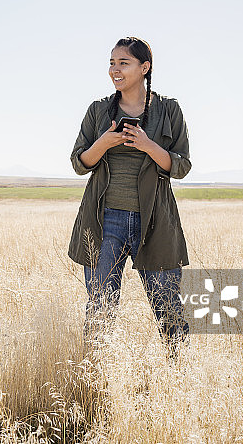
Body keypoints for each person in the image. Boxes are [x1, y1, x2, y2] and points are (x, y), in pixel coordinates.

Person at [68, 36, 190, 360]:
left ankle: (181, 376)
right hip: (104, 221)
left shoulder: (169, 110)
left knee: (169, 308)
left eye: (123, 63)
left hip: (155, 222)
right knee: (100, 308)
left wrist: (148, 145)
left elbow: (181, 166)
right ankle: (96, 378)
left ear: (144, 67)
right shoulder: (98, 110)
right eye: (112, 63)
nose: (115, 70)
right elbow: (79, 163)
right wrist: (104, 143)